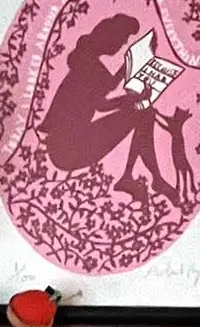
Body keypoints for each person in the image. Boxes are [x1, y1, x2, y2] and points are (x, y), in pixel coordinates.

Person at [37, 14, 180, 203]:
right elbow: (101, 104)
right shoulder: (88, 66)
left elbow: (109, 86)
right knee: (144, 113)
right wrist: (134, 98)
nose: (123, 44)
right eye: (122, 39)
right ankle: (142, 178)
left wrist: (131, 64)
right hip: (68, 149)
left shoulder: (87, 59)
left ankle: (137, 177)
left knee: (145, 113)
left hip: (70, 143)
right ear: (109, 38)